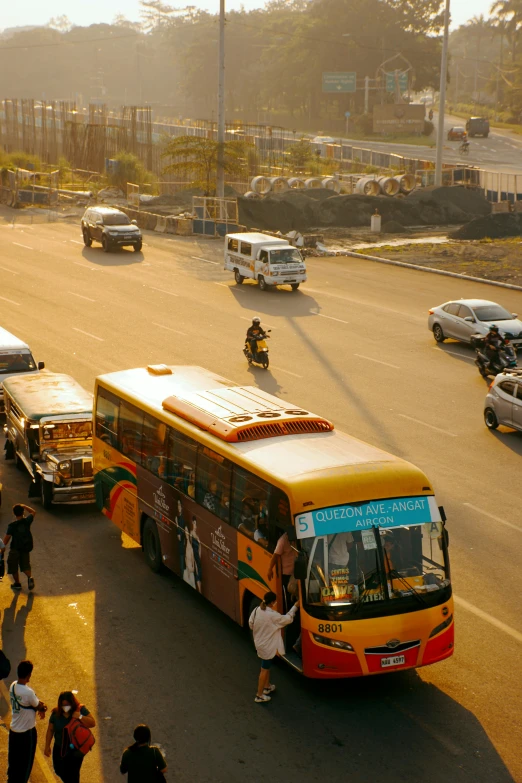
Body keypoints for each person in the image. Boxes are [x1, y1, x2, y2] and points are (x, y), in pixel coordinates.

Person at [249, 591, 299, 703]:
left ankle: (267, 686)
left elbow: (250, 624)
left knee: (267, 665)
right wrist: (295, 607)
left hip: (260, 643)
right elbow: (288, 619)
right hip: (267, 646)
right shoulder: (272, 615)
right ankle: (259, 695)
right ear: (273, 602)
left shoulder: (257, 610)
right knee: (264, 669)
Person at [8, 660, 47, 783]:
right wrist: (43, 708)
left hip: (14, 731)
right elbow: (38, 705)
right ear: (28, 675)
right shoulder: (28, 692)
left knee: (13, 764)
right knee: (25, 766)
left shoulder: (13, 686)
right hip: (26, 734)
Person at [44, 691, 96, 783]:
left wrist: (79, 716)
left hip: (75, 750)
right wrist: (47, 746)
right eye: (63, 705)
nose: (65, 707)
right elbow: (50, 730)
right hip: (59, 747)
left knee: (73, 774)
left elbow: (92, 723)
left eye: (67, 705)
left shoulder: (80, 710)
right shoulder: (56, 714)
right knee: (58, 770)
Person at [3, 504, 36, 591]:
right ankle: (29, 577)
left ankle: (17, 583)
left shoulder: (12, 526)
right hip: (25, 548)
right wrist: (25, 506)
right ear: (23, 512)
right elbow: (33, 512)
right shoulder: (27, 521)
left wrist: (1, 548)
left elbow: (6, 540)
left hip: (15, 549)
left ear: (14, 514)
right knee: (25, 565)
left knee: (13, 566)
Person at [268, 532, 297, 609]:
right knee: (288, 596)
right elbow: (275, 556)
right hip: (286, 574)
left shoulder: (298, 538)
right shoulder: (283, 540)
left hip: (296, 572)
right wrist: (270, 569)